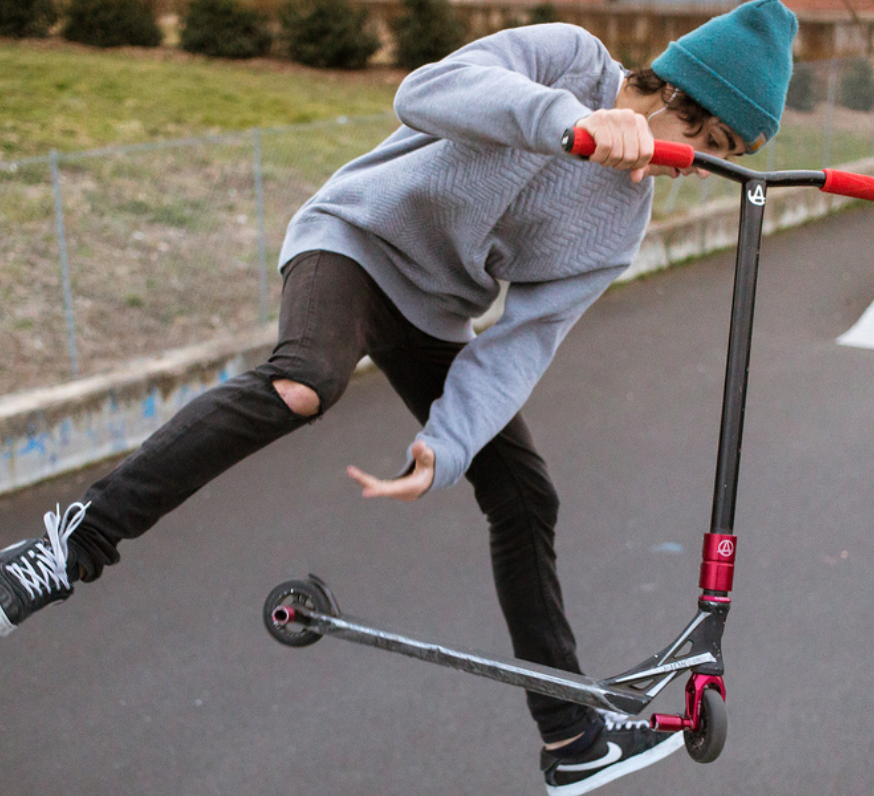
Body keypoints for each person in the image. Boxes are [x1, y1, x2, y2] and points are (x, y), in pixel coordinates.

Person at [0, 1, 796, 793]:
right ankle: (65, 550)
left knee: (524, 495)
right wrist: (569, 124)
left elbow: (524, 341)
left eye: (719, 157)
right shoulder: (567, 58)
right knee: (304, 383)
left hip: (432, 310)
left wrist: (449, 441)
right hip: (352, 241)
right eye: (704, 142)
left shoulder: (621, 220)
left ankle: (572, 739)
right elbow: (426, 91)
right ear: (675, 96)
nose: (692, 164)